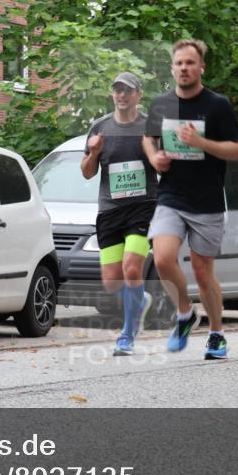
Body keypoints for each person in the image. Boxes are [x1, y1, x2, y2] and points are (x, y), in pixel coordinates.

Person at [143, 40, 238, 359]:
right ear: (172, 68)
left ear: (201, 67)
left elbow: (237, 150)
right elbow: (148, 138)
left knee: (202, 272)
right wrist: (154, 158)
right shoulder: (161, 104)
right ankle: (185, 313)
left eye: (190, 63)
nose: (184, 68)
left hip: (207, 200)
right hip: (171, 195)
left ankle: (216, 334)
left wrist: (201, 142)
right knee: (162, 258)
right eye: (179, 63)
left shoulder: (217, 106)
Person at [81, 72, 157, 356]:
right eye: (117, 90)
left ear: (138, 94)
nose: (122, 95)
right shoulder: (100, 127)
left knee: (132, 268)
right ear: (112, 94)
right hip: (111, 209)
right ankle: (140, 300)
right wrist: (93, 154)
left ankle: (127, 336)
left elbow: (164, 165)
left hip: (143, 207)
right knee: (112, 280)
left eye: (128, 90)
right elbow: (87, 173)